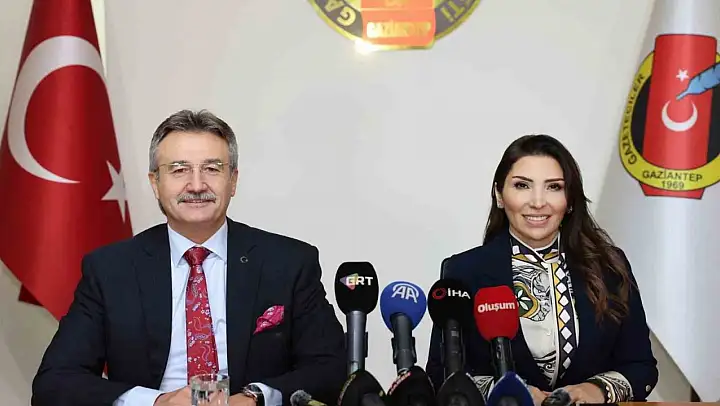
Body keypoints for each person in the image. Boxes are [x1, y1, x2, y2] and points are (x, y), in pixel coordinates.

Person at [31, 110, 347, 406]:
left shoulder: (288, 263)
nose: (196, 185)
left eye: (212, 168)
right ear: (155, 183)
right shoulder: (110, 270)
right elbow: (55, 382)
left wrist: (255, 398)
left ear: (233, 180)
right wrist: (156, 402)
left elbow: (331, 368)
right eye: (179, 170)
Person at [426, 134, 658, 404]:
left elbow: (640, 366)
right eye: (522, 185)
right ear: (500, 195)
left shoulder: (610, 266)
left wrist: (595, 390)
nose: (538, 202)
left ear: (570, 200)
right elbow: (443, 375)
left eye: (554, 187)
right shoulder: (464, 271)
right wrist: (509, 392)